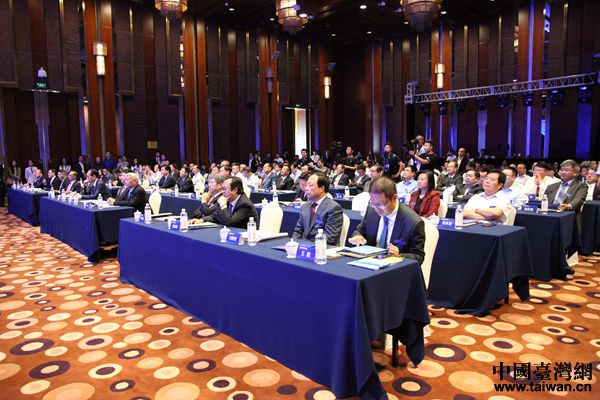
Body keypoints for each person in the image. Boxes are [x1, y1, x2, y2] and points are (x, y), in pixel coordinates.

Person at [349, 177, 425, 264]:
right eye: (373, 203)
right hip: (369, 263)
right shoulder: (371, 210)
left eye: (381, 204)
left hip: (395, 267)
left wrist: (399, 255)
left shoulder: (413, 222)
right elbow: (360, 231)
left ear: (394, 198)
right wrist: (358, 236)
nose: (376, 208)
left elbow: (419, 257)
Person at [292, 173, 343, 245]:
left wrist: (308, 246)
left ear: (322, 188)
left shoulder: (333, 208)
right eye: (306, 185)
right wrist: (295, 244)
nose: (306, 188)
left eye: (310, 185)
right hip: (303, 246)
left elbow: (330, 238)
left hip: (323, 248)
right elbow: (298, 231)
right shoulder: (305, 206)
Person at [190, 177, 258, 229]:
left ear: (234, 190)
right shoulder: (228, 199)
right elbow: (215, 215)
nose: (223, 192)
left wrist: (223, 205)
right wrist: (202, 220)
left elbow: (230, 222)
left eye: (225, 189)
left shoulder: (245, 204)